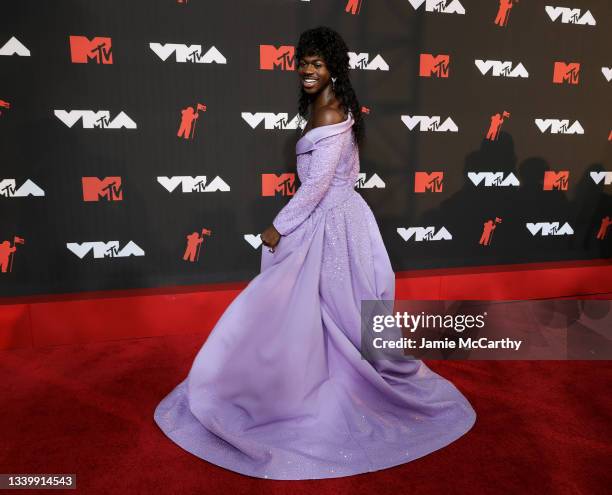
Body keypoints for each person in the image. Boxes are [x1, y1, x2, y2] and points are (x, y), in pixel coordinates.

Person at [154, 26, 476, 480]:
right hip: (342, 218)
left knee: (327, 308)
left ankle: (312, 387)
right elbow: (343, 177)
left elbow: (317, 188)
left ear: (333, 69)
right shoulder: (336, 108)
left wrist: (276, 227)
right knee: (321, 310)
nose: (307, 70)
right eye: (303, 62)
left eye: (317, 63)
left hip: (331, 223)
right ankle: (305, 377)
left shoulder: (329, 114)